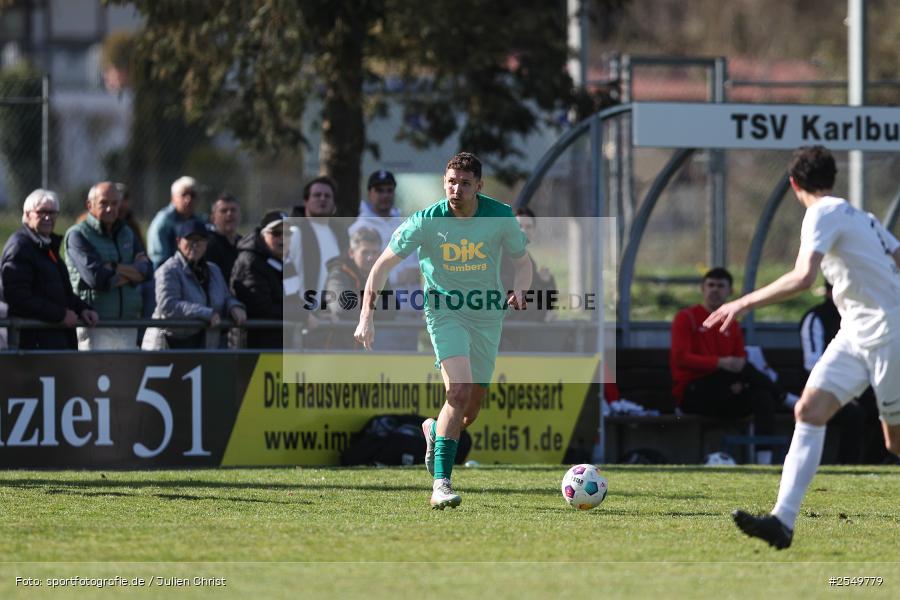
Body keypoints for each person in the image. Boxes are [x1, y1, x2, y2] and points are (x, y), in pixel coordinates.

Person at [705, 146, 900, 550]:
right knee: (808, 410)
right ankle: (782, 521)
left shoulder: (822, 213)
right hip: (855, 333)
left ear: (794, 184)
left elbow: (801, 277)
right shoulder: (860, 217)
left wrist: (741, 302)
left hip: (889, 334)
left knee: (895, 443)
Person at [354, 152, 532, 509]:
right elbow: (382, 265)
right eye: (451, 181)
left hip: (486, 316)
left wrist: (521, 289)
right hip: (444, 313)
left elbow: (522, 261)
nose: (457, 189)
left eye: (465, 183)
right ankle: (441, 484)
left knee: (468, 413)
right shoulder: (426, 220)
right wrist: (365, 316)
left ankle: (434, 430)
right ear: (444, 182)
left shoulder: (499, 216)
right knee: (459, 391)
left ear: (479, 186)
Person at [670, 267, 780, 465]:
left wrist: (737, 377)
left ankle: (765, 462)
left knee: (763, 398)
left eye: (720, 286)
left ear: (730, 291)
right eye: (710, 285)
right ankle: (784, 396)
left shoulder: (732, 323)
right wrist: (720, 362)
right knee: (744, 377)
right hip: (694, 390)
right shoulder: (687, 318)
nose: (715, 290)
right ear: (702, 289)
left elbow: (739, 360)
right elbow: (681, 358)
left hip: (726, 391)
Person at [0, 189, 98, 349]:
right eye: (41, 212)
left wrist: (82, 309)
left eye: (52, 213)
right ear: (27, 214)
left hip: (52, 341)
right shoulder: (20, 247)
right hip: (31, 345)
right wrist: (60, 315)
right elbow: (17, 297)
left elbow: (58, 292)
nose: (48, 217)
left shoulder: (47, 246)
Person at [65, 181, 152, 349]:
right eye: (103, 203)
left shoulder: (127, 232)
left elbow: (147, 271)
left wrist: (113, 267)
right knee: (92, 375)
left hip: (128, 321)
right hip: (95, 324)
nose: (110, 209)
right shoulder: (77, 235)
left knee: (126, 375)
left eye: (114, 203)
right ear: (89, 205)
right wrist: (133, 273)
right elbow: (98, 279)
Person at [143, 220, 245, 349]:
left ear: (206, 244)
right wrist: (206, 313)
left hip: (201, 346)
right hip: (166, 343)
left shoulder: (214, 270)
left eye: (200, 240)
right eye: (190, 239)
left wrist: (234, 307)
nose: (195, 245)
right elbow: (168, 306)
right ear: (178, 242)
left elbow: (225, 297)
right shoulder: (168, 270)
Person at [799, 282, 868, 464]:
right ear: (830, 292)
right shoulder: (816, 317)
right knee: (854, 413)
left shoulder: (859, 317)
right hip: (822, 388)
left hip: (859, 385)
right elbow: (811, 363)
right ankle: (847, 466)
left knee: (879, 406)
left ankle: (877, 462)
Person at [323, 227, 393, 348]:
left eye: (374, 252)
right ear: (351, 253)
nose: (370, 257)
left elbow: (391, 308)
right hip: (334, 347)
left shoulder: (381, 274)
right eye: (365, 252)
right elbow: (344, 306)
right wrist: (373, 307)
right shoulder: (338, 273)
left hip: (365, 348)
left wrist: (363, 308)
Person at [231, 210, 288, 349]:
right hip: (253, 345)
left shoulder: (285, 261)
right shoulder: (250, 261)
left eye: (287, 233)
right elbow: (261, 307)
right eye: (276, 233)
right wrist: (299, 314)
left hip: (277, 342)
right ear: (263, 235)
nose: (282, 238)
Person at [147, 176, 202, 269]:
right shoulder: (163, 221)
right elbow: (159, 260)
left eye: (193, 195)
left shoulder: (199, 220)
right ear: (173, 197)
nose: (188, 199)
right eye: (184, 194)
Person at [205, 193, 242, 281]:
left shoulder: (245, 244)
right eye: (223, 211)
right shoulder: (208, 245)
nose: (229, 214)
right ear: (213, 218)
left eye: (233, 210)